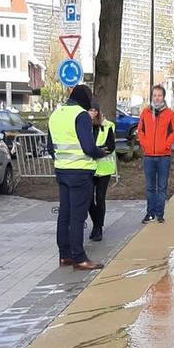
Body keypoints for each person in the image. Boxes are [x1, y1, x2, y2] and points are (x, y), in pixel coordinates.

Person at [49, 84, 106, 271]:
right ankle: (79, 258)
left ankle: (64, 256)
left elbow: (51, 148)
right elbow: (88, 147)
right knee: (78, 217)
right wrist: (100, 153)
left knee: (64, 215)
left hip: (62, 171)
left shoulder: (56, 114)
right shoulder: (80, 115)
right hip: (80, 173)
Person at [137, 84, 174, 223]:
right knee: (150, 187)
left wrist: (166, 145)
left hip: (163, 157)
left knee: (162, 187)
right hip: (149, 156)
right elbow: (140, 130)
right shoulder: (145, 113)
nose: (157, 98)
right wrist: (145, 144)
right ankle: (150, 213)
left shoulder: (170, 114)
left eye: (159, 95)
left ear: (163, 97)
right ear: (152, 96)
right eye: (154, 95)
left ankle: (160, 213)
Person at [88, 101, 116, 242]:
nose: (93, 113)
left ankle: (98, 228)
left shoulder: (107, 126)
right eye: (90, 110)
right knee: (88, 199)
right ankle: (96, 224)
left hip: (104, 169)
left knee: (100, 198)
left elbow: (111, 146)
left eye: (95, 110)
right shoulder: (84, 126)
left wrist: (97, 151)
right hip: (89, 168)